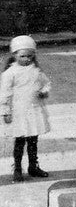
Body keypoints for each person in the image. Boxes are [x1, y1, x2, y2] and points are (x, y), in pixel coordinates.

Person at [0, 35, 50, 182]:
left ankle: (33, 166)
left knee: (33, 140)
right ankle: (17, 168)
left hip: (34, 111)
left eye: (29, 56)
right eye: (22, 56)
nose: (26, 59)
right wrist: (5, 111)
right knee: (20, 141)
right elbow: (4, 94)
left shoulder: (36, 71)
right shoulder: (10, 73)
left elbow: (46, 83)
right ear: (14, 55)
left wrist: (44, 91)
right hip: (19, 112)